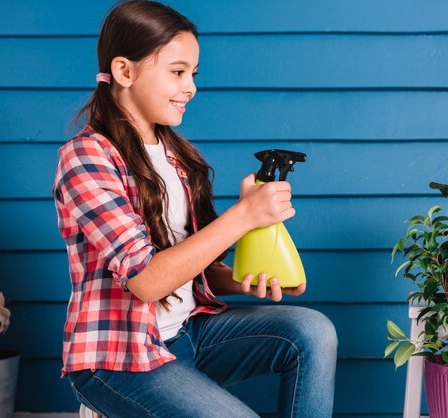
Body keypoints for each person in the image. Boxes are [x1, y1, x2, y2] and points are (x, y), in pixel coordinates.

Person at [52, 1, 337, 417]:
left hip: (185, 336)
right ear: (124, 71)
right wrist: (244, 215)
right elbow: (147, 281)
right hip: (120, 360)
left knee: (311, 331)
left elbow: (189, 270)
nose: (191, 88)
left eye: (193, 74)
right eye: (177, 72)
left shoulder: (175, 158)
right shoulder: (86, 158)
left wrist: (246, 281)